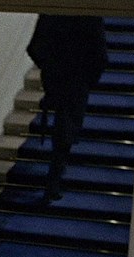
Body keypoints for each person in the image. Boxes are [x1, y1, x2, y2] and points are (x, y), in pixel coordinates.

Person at [26, 14, 108, 202]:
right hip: (77, 79)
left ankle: (55, 175)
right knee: (67, 125)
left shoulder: (53, 10)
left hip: (56, 77)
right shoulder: (90, 16)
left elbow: (34, 47)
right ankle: (55, 176)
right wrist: (88, 79)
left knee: (63, 123)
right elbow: (101, 55)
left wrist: (49, 66)